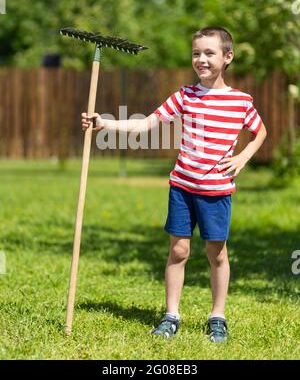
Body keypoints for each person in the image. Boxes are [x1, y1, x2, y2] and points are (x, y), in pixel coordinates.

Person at [81, 26, 267, 342]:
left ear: (227, 57)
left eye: (210, 53)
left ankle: (217, 316)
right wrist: (103, 123)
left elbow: (260, 131)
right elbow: (145, 124)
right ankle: (171, 315)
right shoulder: (184, 96)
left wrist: (242, 158)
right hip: (182, 186)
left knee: (216, 252)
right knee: (178, 250)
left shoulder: (240, 101)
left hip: (216, 191)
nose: (202, 59)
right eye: (197, 53)